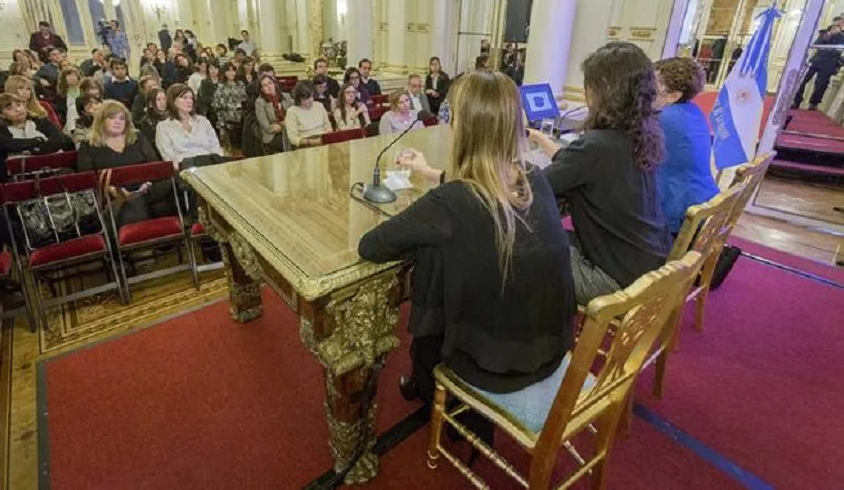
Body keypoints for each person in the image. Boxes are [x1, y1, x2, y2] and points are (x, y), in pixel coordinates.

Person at [359, 70, 575, 433]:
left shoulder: (451, 203)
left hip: (494, 368)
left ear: (462, 127)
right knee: (442, 255)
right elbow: (484, 189)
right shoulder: (534, 178)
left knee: (433, 260)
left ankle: (428, 384)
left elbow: (372, 246)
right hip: (551, 350)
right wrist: (429, 171)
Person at [526, 41, 670, 304]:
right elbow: (581, 167)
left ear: (602, 92)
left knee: (517, 247)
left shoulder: (595, 147)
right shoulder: (642, 135)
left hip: (611, 279)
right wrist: (544, 142)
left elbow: (531, 187)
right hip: (647, 264)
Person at [77, 100, 177, 228]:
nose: (118, 122)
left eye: (122, 118)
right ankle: (142, 244)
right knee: (138, 202)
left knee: (176, 182)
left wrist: (148, 183)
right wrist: (109, 189)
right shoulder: (88, 145)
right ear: (101, 120)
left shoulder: (137, 137)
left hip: (146, 189)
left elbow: (155, 167)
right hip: (113, 196)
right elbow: (87, 180)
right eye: (112, 117)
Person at [653, 57, 720, 235]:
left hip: (679, 213)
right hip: (704, 201)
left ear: (674, 96)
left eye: (653, 87)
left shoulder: (664, 118)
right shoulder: (692, 110)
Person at [0, 92, 73, 182]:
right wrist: (37, 140)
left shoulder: (42, 122)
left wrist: (35, 150)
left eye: (19, 105)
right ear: (0, 114)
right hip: (19, 177)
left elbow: (61, 140)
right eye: (9, 108)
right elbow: (5, 145)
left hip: (55, 169)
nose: (18, 109)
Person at [155, 83, 226, 170]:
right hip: (185, 169)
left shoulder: (203, 121)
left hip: (210, 166)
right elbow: (169, 157)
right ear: (173, 101)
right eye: (184, 97)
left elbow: (216, 148)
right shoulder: (163, 127)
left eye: (191, 98)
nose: (189, 101)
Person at [792, 19, 844, 110]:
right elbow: (816, 44)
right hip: (816, 60)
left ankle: (813, 103)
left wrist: (839, 62)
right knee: (802, 80)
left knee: (821, 85)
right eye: (835, 23)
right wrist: (829, 34)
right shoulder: (824, 33)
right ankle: (797, 100)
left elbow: (841, 47)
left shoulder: (843, 36)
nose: (836, 25)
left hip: (829, 64)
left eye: (839, 24)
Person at [285, 82, 332, 148]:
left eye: (312, 97)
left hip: (322, 140)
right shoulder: (292, 112)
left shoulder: (319, 105)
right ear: (298, 98)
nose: (310, 101)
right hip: (305, 144)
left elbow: (327, 126)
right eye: (306, 98)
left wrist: (328, 133)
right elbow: (293, 138)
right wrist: (311, 142)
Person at [213, 61, 249, 147]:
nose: (231, 73)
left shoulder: (240, 84)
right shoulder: (221, 86)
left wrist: (239, 105)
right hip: (227, 114)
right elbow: (217, 104)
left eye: (233, 70)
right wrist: (232, 106)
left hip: (241, 113)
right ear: (224, 73)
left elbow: (245, 98)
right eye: (228, 71)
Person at [254, 74, 293, 153]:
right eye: (265, 85)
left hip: (290, 130)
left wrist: (286, 124)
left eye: (270, 83)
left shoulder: (286, 96)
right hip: (273, 135)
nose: (269, 86)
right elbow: (266, 126)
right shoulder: (260, 102)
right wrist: (282, 125)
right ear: (261, 89)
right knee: (290, 143)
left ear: (274, 83)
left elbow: (295, 115)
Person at [196, 60, 222, 128]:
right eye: (211, 68)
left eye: (215, 68)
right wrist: (219, 99)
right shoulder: (204, 82)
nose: (213, 70)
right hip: (210, 110)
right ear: (208, 69)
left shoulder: (222, 81)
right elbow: (204, 99)